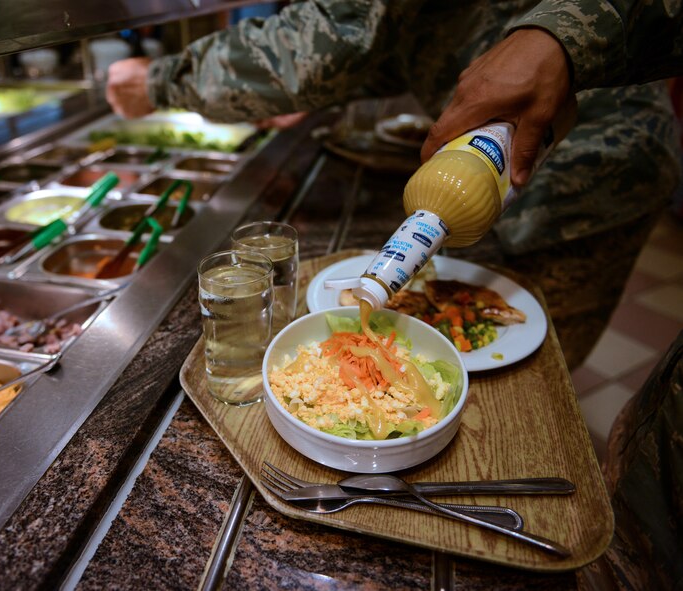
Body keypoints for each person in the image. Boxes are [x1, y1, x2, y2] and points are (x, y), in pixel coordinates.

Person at [106, 0, 683, 370]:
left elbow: (332, 35)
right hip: (507, 149)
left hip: (597, 153)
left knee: (528, 365)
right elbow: (387, 39)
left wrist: (162, 78)